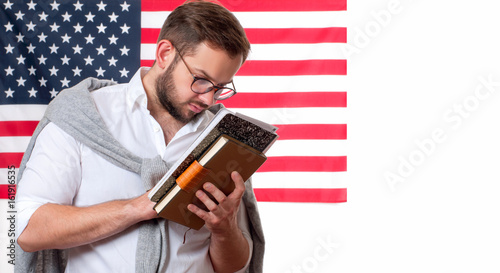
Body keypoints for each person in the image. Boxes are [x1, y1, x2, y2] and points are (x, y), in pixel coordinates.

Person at [15, 1, 263, 272]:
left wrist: (224, 230)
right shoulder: (86, 115)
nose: (208, 98)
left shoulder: (222, 138)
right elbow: (28, 229)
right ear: (165, 53)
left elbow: (234, 267)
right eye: (201, 80)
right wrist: (138, 208)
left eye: (220, 88)